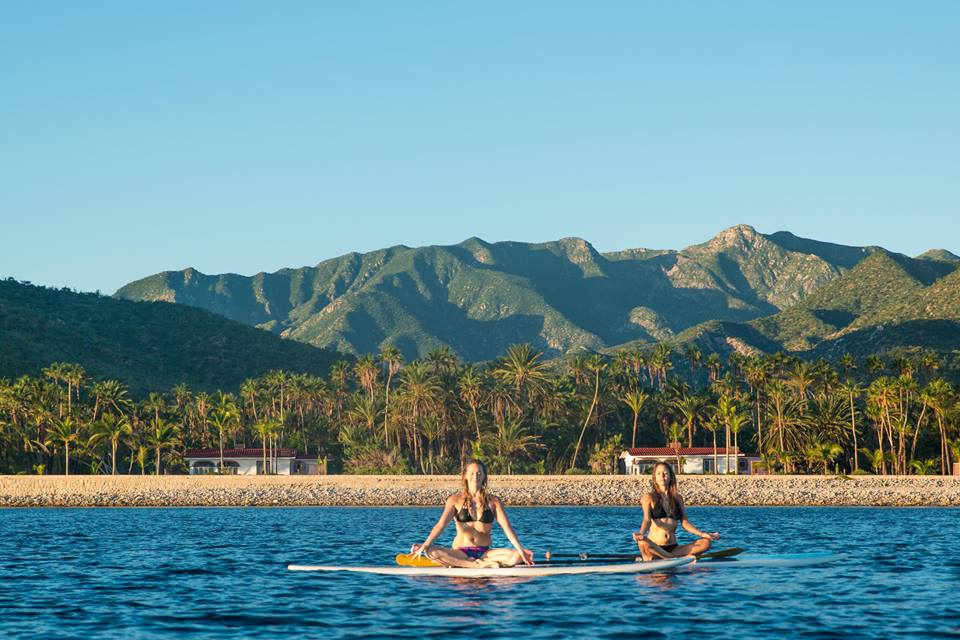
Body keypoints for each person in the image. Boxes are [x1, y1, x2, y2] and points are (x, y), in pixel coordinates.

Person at [410, 459, 534, 568]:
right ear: (465, 476)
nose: (476, 475)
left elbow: (507, 527)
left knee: (516, 556)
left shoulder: (494, 502)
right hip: (460, 552)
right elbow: (441, 524)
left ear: (484, 476)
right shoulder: (455, 500)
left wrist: (520, 549)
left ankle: (474, 563)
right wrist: (425, 545)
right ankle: (473, 565)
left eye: (479, 473)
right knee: (431, 552)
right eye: (472, 473)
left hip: (485, 553)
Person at [632, 461, 720, 561]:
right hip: (655, 547)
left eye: (665, 473)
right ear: (655, 478)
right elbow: (647, 520)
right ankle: (673, 559)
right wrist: (641, 534)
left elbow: (685, 523)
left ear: (670, 477)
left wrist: (703, 534)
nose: (662, 476)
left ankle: (670, 557)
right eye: (658, 473)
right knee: (643, 542)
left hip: (674, 548)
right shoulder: (648, 497)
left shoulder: (678, 498)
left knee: (706, 542)